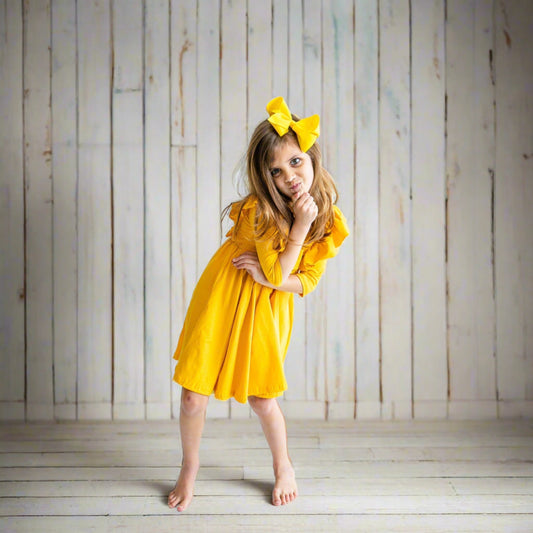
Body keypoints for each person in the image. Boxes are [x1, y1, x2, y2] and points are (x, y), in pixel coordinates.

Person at [168, 96, 349, 511]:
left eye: (296, 162)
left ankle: (284, 466)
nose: (289, 177)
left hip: (266, 309)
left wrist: (278, 271)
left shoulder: (325, 218)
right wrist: (286, 253)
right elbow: (278, 270)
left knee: (262, 398)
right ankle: (189, 466)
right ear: (264, 176)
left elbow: (303, 280)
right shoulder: (260, 211)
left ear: (312, 157)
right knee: (193, 396)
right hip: (223, 295)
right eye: (276, 170)